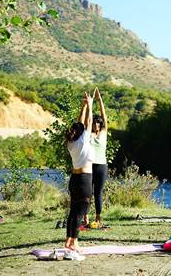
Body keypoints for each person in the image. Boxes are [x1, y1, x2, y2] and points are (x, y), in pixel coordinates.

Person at [64, 92, 94, 261]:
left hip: (74, 180)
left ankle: (68, 241)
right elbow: (87, 122)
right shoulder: (83, 139)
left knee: (73, 212)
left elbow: (80, 123)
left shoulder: (71, 141)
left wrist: (83, 107)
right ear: (81, 132)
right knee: (80, 213)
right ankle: (74, 242)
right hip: (84, 180)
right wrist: (89, 104)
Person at [83, 87, 108, 228]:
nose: (96, 125)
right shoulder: (89, 134)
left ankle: (98, 218)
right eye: (94, 123)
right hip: (89, 166)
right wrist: (88, 105)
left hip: (101, 167)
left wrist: (100, 100)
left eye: (98, 123)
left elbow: (104, 116)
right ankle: (86, 217)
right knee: (88, 193)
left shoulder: (104, 133)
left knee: (98, 193)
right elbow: (88, 119)